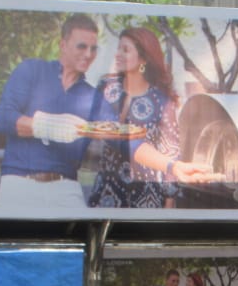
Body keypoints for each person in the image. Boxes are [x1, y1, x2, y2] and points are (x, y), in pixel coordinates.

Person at [87, 26, 210, 209]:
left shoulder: (161, 100)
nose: (118, 54)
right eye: (118, 48)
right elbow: (108, 132)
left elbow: (171, 151)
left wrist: (169, 202)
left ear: (143, 58)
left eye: (125, 49)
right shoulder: (106, 87)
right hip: (107, 193)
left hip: (147, 197)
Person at [0, 13, 102, 183]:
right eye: (82, 46)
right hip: (20, 179)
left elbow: (115, 135)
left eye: (94, 48)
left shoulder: (94, 96)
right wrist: (49, 126)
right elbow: (2, 119)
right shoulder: (33, 70)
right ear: (63, 45)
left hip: (66, 186)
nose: (89, 54)